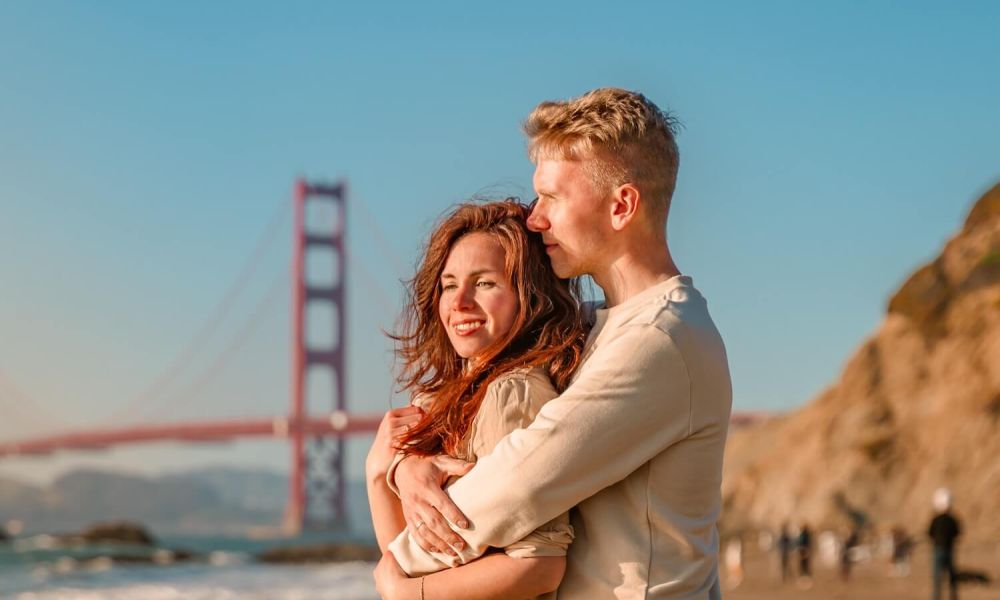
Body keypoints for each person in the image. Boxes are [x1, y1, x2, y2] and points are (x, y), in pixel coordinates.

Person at [377, 87, 732, 598]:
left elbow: (519, 481)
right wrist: (406, 468)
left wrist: (402, 575)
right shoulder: (597, 327)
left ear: (621, 206)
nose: (534, 218)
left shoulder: (661, 340)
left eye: (553, 197)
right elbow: (457, 399)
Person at [366, 200, 588, 600]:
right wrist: (381, 471)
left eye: (484, 283)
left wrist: (410, 595)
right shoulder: (441, 400)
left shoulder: (512, 394)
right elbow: (405, 557)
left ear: (529, 296)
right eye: (449, 284)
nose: (460, 302)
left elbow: (540, 566)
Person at [928, 487, 961, 600]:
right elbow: (957, 533)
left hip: (938, 549)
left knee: (938, 576)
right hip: (949, 549)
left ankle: (936, 597)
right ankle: (953, 596)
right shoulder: (952, 519)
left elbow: (930, 533)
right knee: (951, 576)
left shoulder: (936, 519)